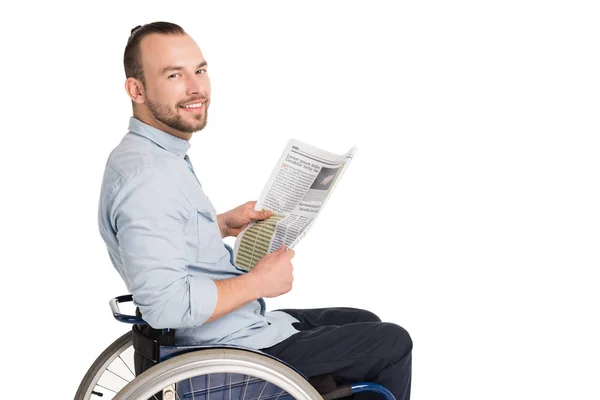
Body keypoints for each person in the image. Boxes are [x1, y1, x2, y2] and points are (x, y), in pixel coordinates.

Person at [98, 21, 412, 400]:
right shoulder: (147, 178)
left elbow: (160, 240)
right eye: (174, 75)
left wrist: (221, 226)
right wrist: (259, 283)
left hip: (235, 328)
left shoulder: (155, 155)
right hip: (220, 352)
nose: (196, 87)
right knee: (393, 343)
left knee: (363, 322)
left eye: (199, 70)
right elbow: (166, 305)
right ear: (137, 89)